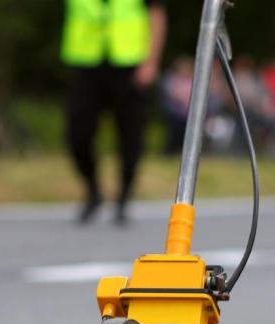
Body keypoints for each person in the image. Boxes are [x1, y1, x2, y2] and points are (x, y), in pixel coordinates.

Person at [61, 0, 167, 225]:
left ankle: (124, 196)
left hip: (129, 64)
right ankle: (92, 190)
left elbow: (156, 14)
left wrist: (151, 62)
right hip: (86, 62)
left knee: (131, 136)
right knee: (77, 133)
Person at [160, 57, 193, 155]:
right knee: (175, 132)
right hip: (175, 112)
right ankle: (171, 151)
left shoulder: (192, 80)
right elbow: (172, 93)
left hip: (188, 113)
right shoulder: (171, 79)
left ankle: (183, 151)